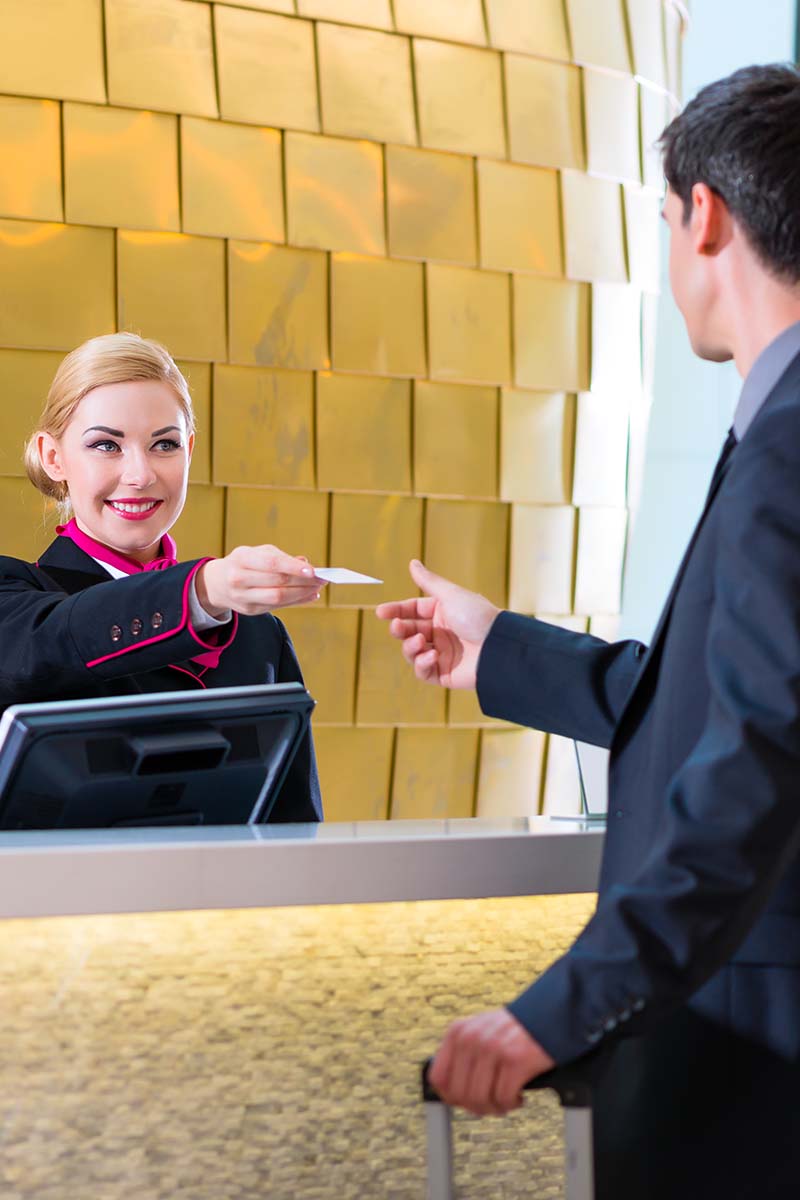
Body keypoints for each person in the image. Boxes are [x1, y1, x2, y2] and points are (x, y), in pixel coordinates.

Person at [378, 63, 800, 1199]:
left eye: (663, 221)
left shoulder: (784, 449)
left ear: (701, 215)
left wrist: (556, 1009)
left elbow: (755, 763)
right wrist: (500, 648)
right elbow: (734, 691)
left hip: (751, 1051)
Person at [0, 332, 324, 822]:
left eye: (164, 445)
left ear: (189, 451)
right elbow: (58, 638)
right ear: (53, 457)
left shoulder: (259, 634)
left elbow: (293, 822)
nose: (140, 474)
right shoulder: (16, 599)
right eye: (106, 445)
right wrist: (204, 588)